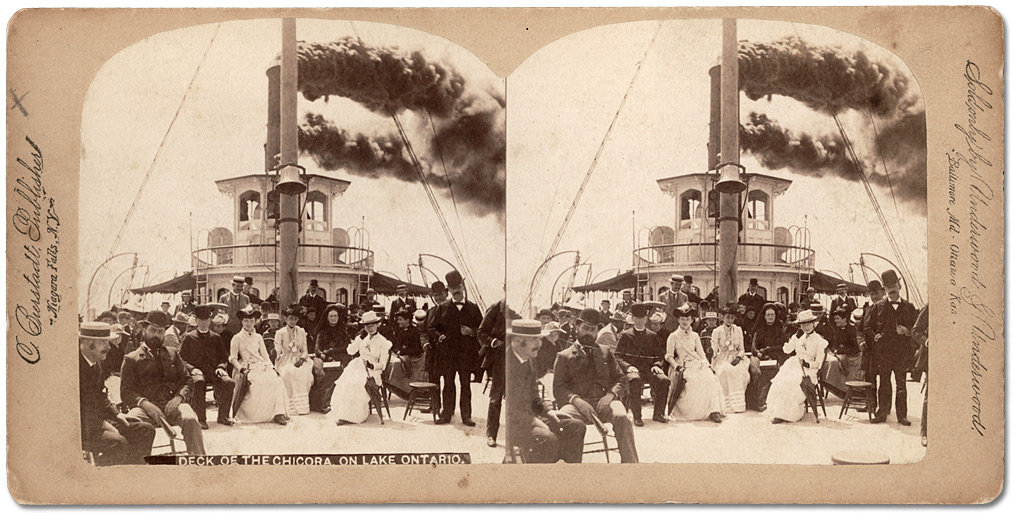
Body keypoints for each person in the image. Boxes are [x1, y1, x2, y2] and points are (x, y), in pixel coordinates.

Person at [552, 308, 639, 463]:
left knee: (622, 418)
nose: (589, 333)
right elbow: (559, 388)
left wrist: (610, 395)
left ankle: (631, 465)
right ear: (577, 327)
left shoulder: (606, 352)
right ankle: (570, 467)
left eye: (593, 330)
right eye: (585, 328)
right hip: (577, 405)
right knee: (565, 420)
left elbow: (621, 379)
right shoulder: (564, 356)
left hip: (605, 401)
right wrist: (578, 401)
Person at [120, 311, 205, 455]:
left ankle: (199, 460)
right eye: (152, 330)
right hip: (145, 408)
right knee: (130, 421)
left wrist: (179, 398)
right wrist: (145, 404)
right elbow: (126, 391)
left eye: (160, 331)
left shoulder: (173, 353)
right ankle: (137, 464)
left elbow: (187, 380)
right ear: (144, 330)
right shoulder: (131, 358)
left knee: (191, 419)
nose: (156, 335)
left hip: (173, 404)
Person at [506, 319, 585, 463]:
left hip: (530, 418)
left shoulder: (528, 359)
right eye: (534, 340)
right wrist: (535, 422)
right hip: (513, 426)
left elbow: (535, 398)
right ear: (517, 340)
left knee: (577, 426)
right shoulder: (506, 364)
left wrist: (549, 411)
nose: (540, 344)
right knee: (548, 439)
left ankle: (571, 475)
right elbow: (508, 410)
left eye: (540, 339)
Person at [79, 322, 156, 465]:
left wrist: (117, 414)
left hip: (101, 420)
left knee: (146, 430)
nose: (109, 347)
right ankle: (107, 480)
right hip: (81, 427)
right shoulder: (73, 366)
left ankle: (134, 474)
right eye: (103, 342)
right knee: (118, 443)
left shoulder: (97, 362)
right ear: (89, 342)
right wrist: (102, 424)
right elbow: (74, 409)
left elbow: (101, 394)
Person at [427, 270, 483, 426]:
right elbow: (431, 328)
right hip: (448, 354)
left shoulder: (473, 307)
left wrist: (472, 332)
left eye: (458, 286)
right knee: (448, 383)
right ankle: (446, 414)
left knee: (465, 384)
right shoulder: (443, 307)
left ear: (463, 286)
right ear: (449, 290)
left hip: (466, 355)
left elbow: (481, 329)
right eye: (452, 288)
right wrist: (439, 336)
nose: (456, 290)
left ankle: (466, 416)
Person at [863, 270, 919, 426]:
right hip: (884, 354)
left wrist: (907, 331)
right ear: (884, 289)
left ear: (899, 285)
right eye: (888, 287)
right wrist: (875, 335)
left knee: (901, 384)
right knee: (884, 383)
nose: (892, 289)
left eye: (894, 285)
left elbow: (917, 329)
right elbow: (867, 327)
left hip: (901, 354)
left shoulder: (909, 307)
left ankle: (902, 416)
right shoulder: (878, 307)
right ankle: (882, 413)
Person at [229, 305, 289, 425]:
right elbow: (233, 358)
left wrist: (272, 368)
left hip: (261, 365)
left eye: (251, 321)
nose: (248, 324)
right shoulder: (237, 338)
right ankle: (257, 415)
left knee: (275, 380)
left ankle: (278, 413)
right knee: (259, 384)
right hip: (246, 367)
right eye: (246, 321)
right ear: (242, 321)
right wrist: (241, 369)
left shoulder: (258, 337)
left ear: (255, 322)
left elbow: (265, 356)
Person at [665, 305, 724, 423]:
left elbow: (701, 354)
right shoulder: (673, 336)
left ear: (692, 320)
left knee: (710, 378)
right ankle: (692, 412)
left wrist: (708, 366)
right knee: (693, 381)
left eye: (688, 319)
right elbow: (669, 356)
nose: (685, 322)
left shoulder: (695, 335)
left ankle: (713, 410)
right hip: (681, 365)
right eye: (682, 319)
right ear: (678, 320)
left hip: (696, 363)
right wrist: (677, 366)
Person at [766, 310, 828, 423]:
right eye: (803, 324)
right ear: (799, 326)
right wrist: (794, 338)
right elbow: (786, 350)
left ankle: (790, 414)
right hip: (794, 365)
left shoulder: (820, 341)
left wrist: (806, 364)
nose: (806, 327)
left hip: (809, 370)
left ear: (814, 324)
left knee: (793, 383)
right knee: (781, 381)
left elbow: (819, 364)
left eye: (809, 323)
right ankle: (779, 413)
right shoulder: (799, 337)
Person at [179, 304, 235, 428]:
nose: (203, 323)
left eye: (206, 320)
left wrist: (221, 367)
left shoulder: (216, 337)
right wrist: (192, 369)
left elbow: (223, 357)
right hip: (197, 373)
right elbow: (181, 358)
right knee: (199, 382)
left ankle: (223, 416)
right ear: (197, 321)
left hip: (214, 372)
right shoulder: (189, 337)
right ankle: (201, 418)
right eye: (200, 320)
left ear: (210, 321)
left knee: (229, 382)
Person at [333, 311, 392, 425]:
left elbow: (383, 365)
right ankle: (344, 414)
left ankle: (355, 416)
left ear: (377, 325)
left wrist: (371, 365)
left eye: (372, 325)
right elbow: (350, 351)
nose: (370, 328)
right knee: (345, 382)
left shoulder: (383, 342)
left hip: (373, 371)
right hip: (358, 366)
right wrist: (359, 338)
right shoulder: (363, 338)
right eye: (367, 326)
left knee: (356, 384)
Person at [615, 303, 669, 425]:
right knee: (635, 380)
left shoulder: (652, 336)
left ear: (646, 319)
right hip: (633, 371)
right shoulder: (625, 335)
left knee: (664, 380)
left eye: (642, 318)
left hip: (649, 370)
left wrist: (656, 365)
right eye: (637, 318)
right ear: (633, 319)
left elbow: (659, 356)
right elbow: (617, 355)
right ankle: (637, 416)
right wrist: (628, 367)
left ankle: (658, 414)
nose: (640, 321)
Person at [478, 299, 509, 448]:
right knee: (496, 398)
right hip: (500, 358)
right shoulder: (496, 308)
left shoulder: (526, 304)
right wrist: (494, 342)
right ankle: (491, 435)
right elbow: (481, 332)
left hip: (519, 356)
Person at [275, 304, 315, 416]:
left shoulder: (301, 332)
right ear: (285, 319)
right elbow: (277, 347)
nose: (293, 321)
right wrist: (276, 353)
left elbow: (305, 350)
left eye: (295, 319)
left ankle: (301, 407)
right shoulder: (280, 333)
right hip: (286, 359)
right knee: (287, 373)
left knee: (304, 374)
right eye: (290, 318)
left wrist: (302, 359)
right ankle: (290, 406)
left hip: (299, 358)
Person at [711, 304, 750, 413]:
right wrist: (712, 352)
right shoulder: (717, 331)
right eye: (727, 317)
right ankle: (726, 404)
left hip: (736, 356)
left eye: (732, 317)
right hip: (723, 357)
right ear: (722, 317)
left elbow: (742, 348)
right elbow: (714, 347)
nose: (730, 320)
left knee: (740, 372)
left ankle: (737, 405)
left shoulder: (738, 330)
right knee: (724, 371)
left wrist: (738, 358)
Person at [819, 308, 861, 399]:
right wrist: (835, 350)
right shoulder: (837, 329)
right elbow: (835, 344)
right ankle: (832, 385)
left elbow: (854, 348)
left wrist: (840, 351)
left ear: (844, 319)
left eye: (837, 318)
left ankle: (843, 388)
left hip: (851, 355)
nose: (835, 321)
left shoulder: (852, 330)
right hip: (840, 354)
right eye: (835, 319)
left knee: (834, 364)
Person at [385, 310, 426, 399]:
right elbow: (397, 345)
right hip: (404, 355)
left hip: (415, 358)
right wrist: (397, 350)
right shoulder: (401, 330)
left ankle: (405, 390)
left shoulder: (414, 331)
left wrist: (403, 352)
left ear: (407, 320)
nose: (398, 321)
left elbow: (416, 349)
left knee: (396, 365)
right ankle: (394, 386)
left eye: (400, 319)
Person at [912, 304, 929, 446]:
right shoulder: (930, 307)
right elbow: (916, 331)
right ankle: (925, 433)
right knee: (930, 397)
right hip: (933, 356)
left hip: (955, 357)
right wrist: (927, 341)